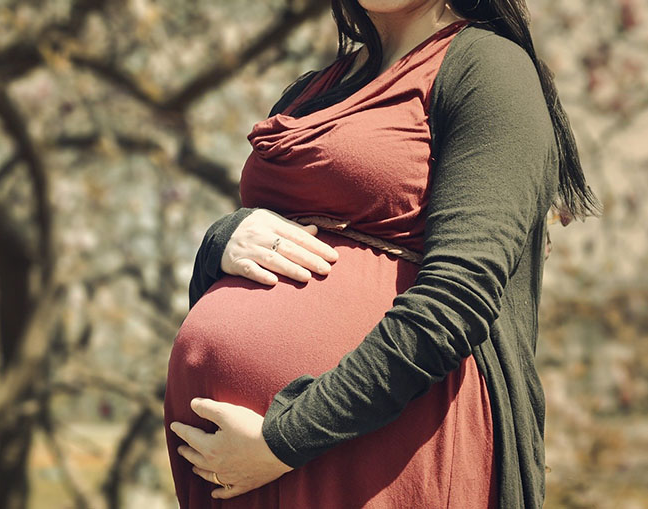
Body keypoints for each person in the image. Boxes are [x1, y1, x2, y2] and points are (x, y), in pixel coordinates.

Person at [164, 0, 600, 507]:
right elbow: (261, 252)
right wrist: (223, 240)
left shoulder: (488, 68)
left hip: (374, 446)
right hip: (242, 462)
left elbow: (459, 298)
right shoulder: (312, 90)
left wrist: (286, 439)